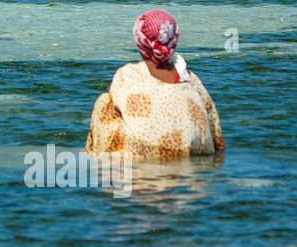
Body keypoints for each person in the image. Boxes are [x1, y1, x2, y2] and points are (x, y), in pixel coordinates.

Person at [85, 9, 225, 161]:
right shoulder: (191, 79)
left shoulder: (127, 74)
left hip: (145, 156)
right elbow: (215, 131)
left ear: (140, 42)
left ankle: (96, 159)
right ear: (174, 39)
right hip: (195, 159)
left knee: (104, 103)